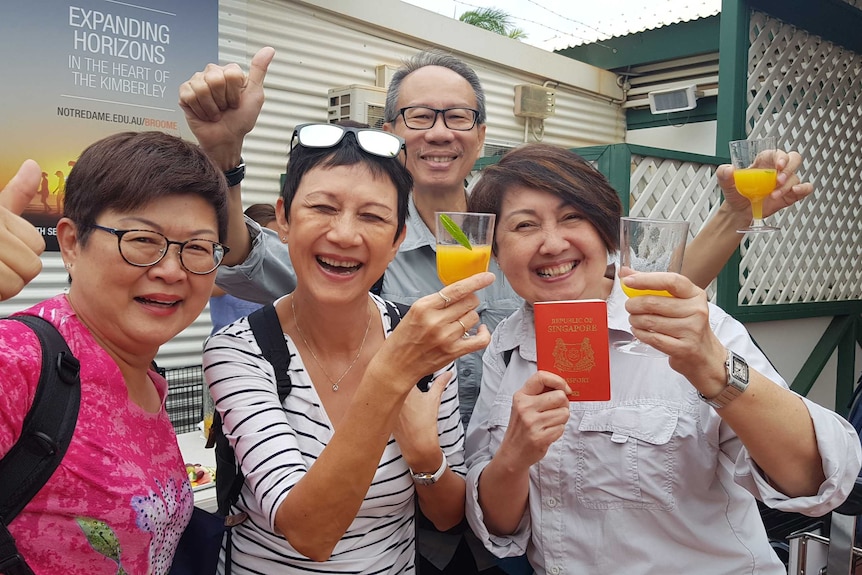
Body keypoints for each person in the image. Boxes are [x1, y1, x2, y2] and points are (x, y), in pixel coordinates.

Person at [179, 46, 815, 575]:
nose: (438, 131)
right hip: (424, 530)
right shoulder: (351, 252)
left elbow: (643, 298)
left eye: (457, 116)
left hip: (538, 513)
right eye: (418, 114)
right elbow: (240, 250)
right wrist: (223, 159)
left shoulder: (529, 242)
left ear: (480, 133)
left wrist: (733, 215)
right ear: (392, 129)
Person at [461, 143, 862, 574]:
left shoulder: (689, 325)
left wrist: (714, 367)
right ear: (496, 254)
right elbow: (501, 527)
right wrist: (514, 458)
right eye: (524, 225)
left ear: (606, 231)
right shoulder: (506, 348)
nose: (553, 243)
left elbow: (814, 480)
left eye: (572, 217)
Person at [202, 122, 494, 574]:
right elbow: (310, 533)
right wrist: (390, 378)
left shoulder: (421, 340)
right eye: (322, 207)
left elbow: (447, 513)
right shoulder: (240, 350)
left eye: (373, 217)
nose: (343, 234)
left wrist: (423, 453)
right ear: (284, 218)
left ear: (398, 239)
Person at [0, 131, 230, 574]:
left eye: (198, 248)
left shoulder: (147, 376)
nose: (170, 270)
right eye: (143, 239)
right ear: (70, 243)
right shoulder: (19, 359)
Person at [208, 203, 278, 334]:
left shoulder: (281, 276)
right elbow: (208, 286)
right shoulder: (224, 264)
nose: (274, 248)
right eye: (267, 239)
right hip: (228, 349)